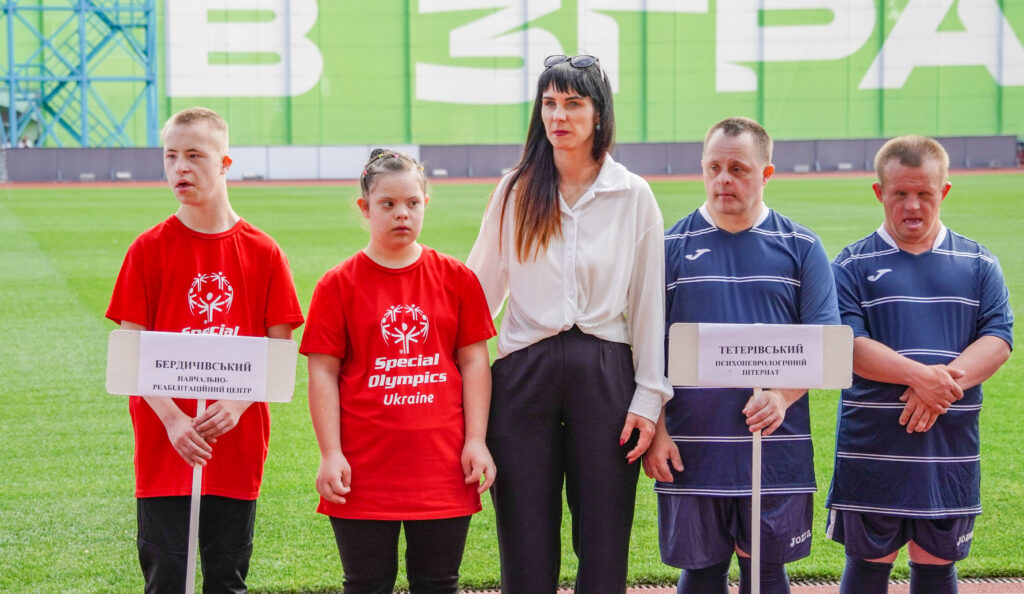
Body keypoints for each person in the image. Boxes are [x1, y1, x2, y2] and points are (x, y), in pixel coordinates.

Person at [466, 54, 673, 593]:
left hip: (605, 374)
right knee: (524, 542)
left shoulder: (633, 195)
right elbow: (478, 294)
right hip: (523, 374)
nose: (559, 116)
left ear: (599, 113)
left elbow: (648, 304)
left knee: (604, 544)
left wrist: (648, 398)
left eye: (573, 103)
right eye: (550, 103)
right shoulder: (515, 190)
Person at [106, 106, 304, 593]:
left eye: (195, 155)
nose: (180, 168)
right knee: (166, 579)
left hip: (234, 449)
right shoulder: (147, 249)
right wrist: (173, 419)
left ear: (224, 163)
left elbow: (280, 354)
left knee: (226, 579)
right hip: (164, 449)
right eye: (171, 156)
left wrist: (236, 404)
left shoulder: (263, 252)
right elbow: (129, 353)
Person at [644, 117, 840, 594]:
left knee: (765, 571)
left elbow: (827, 343)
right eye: (714, 168)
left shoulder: (801, 247)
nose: (723, 180)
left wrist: (782, 395)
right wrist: (658, 431)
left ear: (766, 173)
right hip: (692, 448)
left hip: (773, 448)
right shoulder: (667, 247)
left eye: (738, 169)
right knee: (701, 570)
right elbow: (647, 350)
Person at [302, 149, 497, 593]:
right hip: (363, 470)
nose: (401, 213)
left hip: (442, 465)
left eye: (412, 202)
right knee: (366, 583)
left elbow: (474, 363)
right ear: (365, 207)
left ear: (426, 203)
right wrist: (330, 453)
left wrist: (476, 440)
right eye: (387, 204)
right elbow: (323, 373)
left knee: (438, 583)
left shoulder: (456, 278)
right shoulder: (338, 284)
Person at [826, 136, 1013, 594]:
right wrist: (921, 377)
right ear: (880, 192)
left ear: (943, 191)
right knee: (867, 567)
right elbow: (847, 345)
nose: (912, 205)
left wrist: (938, 389)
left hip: (947, 449)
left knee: (936, 568)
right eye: (900, 193)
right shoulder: (850, 264)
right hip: (873, 449)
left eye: (924, 193)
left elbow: (998, 338)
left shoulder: (978, 262)